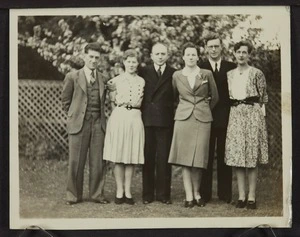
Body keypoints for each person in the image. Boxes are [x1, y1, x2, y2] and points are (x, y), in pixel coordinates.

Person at [168, 42, 219, 208]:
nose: (190, 57)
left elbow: (215, 97)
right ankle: (188, 196)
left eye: (193, 54)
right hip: (183, 119)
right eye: (188, 54)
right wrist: (185, 109)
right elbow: (174, 96)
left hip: (203, 119)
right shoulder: (177, 76)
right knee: (184, 159)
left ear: (198, 57)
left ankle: (197, 193)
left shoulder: (206, 74)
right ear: (183, 57)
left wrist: (203, 108)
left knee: (199, 159)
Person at [62, 42, 109, 205]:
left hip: (98, 123)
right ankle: (73, 195)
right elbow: (65, 102)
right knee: (76, 161)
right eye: (91, 57)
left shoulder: (103, 78)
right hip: (79, 124)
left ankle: (97, 195)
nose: (94, 60)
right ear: (84, 56)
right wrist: (74, 116)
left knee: (98, 162)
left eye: (97, 58)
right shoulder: (72, 77)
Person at [225, 41, 268, 210]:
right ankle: (241, 196)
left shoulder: (257, 73)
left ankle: (251, 196)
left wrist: (258, 117)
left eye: (244, 52)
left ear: (249, 54)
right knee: (238, 157)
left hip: (252, 114)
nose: (241, 55)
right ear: (234, 54)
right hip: (235, 114)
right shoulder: (229, 74)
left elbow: (263, 97)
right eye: (238, 52)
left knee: (251, 156)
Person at [103, 49, 145, 205]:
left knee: (131, 156)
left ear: (137, 63)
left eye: (134, 61)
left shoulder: (142, 81)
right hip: (120, 115)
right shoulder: (115, 81)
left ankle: (128, 191)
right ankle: (119, 191)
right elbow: (111, 100)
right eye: (129, 61)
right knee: (119, 156)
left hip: (135, 116)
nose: (132, 64)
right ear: (124, 63)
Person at [200, 34, 236, 204]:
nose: (213, 50)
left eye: (216, 46)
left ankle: (225, 193)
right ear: (206, 48)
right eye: (210, 47)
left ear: (222, 48)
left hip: (225, 117)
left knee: (224, 155)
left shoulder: (232, 67)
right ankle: (205, 193)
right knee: (205, 156)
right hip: (204, 118)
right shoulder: (199, 67)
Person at [140, 42, 176, 205]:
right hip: (147, 119)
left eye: (163, 54)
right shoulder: (144, 71)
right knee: (148, 157)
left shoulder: (173, 73)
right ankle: (147, 193)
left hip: (165, 120)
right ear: (152, 56)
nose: (160, 57)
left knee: (164, 158)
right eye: (157, 54)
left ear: (167, 55)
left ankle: (163, 194)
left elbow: (176, 96)